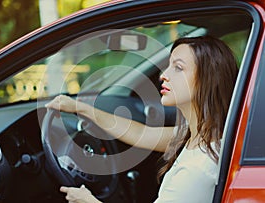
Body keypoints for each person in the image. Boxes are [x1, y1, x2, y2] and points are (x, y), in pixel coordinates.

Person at [45, 35, 239, 203]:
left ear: (207, 79)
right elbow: (140, 133)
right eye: (169, 66)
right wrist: (81, 108)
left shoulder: (197, 169)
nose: (164, 75)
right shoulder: (204, 135)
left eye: (178, 68)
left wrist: (87, 200)